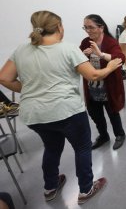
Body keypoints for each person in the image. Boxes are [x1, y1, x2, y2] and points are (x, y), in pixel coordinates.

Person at [0, 11, 119, 204]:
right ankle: (86, 189)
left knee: (52, 148)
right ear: (59, 27)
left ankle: (50, 187)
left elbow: (4, 77)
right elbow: (94, 76)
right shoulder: (68, 49)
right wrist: (111, 66)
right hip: (67, 111)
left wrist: (29, 88)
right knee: (82, 148)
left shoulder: (21, 49)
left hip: (35, 115)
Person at [80, 14, 126, 150]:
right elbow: (77, 57)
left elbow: (120, 58)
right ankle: (103, 136)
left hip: (108, 86)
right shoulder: (85, 42)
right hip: (92, 85)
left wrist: (100, 54)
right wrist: (83, 54)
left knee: (112, 112)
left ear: (101, 27)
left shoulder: (110, 42)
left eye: (91, 27)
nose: (88, 30)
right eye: (86, 27)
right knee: (95, 114)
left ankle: (120, 135)